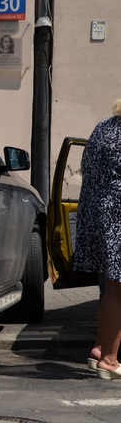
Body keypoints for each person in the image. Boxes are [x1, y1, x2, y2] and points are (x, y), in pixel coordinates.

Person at [73, 98, 121, 380]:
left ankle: (100, 348)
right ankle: (111, 360)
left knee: (111, 289)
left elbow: (87, 168)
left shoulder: (103, 128)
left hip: (97, 213)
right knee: (118, 291)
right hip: (117, 214)